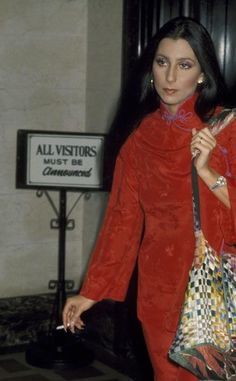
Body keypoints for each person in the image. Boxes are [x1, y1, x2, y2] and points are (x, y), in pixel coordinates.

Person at [63, 16, 236, 381]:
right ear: (151, 68)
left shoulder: (227, 129)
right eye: (162, 62)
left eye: (184, 65)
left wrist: (208, 172)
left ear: (202, 74)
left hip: (215, 292)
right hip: (158, 292)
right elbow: (122, 221)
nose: (170, 77)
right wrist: (90, 292)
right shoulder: (141, 138)